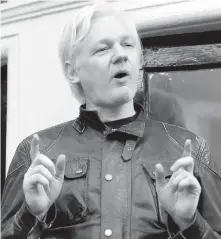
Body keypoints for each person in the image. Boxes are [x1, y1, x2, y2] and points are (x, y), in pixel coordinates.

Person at [1, 4, 221, 239]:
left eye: (128, 45)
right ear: (72, 71)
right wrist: (30, 214)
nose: (120, 55)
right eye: (103, 49)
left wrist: (190, 222)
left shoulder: (190, 150)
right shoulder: (36, 155)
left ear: (139, 61)